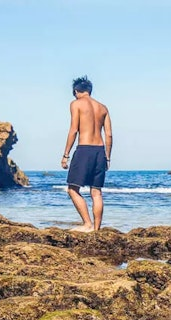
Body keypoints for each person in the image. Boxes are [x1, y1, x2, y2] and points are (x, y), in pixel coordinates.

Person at [61, 76, 113, 232]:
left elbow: (73, 130)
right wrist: (107, 157)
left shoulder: (76, 104)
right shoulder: (103, 108)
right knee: (96, 192)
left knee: (72, 189)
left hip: (84, 149)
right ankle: (97, 229)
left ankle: (87, 224)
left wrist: (66, 155)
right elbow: (109, 135)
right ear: (89, 90)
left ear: (76, 91)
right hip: (100, 151)